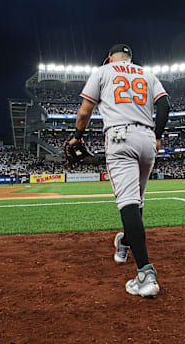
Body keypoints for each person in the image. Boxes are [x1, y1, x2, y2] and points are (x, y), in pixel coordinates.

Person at [69, 44, 170, 298]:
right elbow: (165, 106)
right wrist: (157, 136)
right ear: (130, 59)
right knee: (137, 202)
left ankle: (145, 274)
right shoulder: (146, 73)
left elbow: (85, 111)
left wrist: (77, 137)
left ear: (110, 58)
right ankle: (125, 241)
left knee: (128, 203)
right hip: (147, 138)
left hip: (120, 137)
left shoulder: (103, 71)